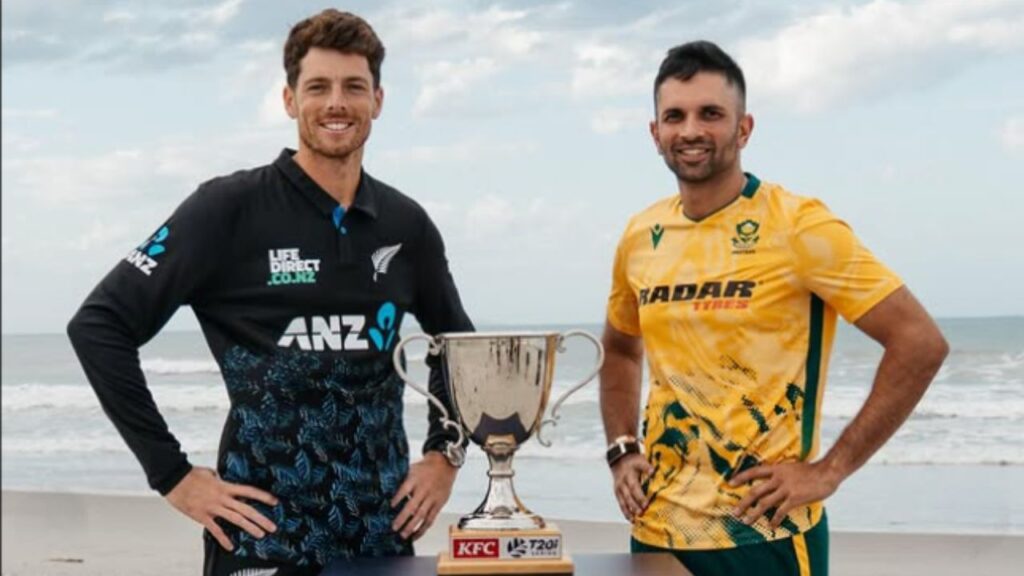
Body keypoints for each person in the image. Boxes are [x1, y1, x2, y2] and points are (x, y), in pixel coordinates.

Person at [67, 9, 473, 576]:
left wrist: (444, 456)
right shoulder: (226, 209)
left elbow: (460, 346)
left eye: (354, 87)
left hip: (380, 534)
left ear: (378, 100)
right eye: (318, 87)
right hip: (261, 538)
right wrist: (172, 475)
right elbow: (98, 326)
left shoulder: (406, 225)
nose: (337, 103)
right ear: (289, 100)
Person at [599, 40, 948, 576]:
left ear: (744, 129)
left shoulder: (799, 226)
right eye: (675, 116)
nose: (690, 130)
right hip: (656, 528)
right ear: (655, 133)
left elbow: (919, 342)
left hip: (765, 533)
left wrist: (829, 471)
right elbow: (622, 348)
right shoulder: (641, 235)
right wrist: (623, 449)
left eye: (710, 114)